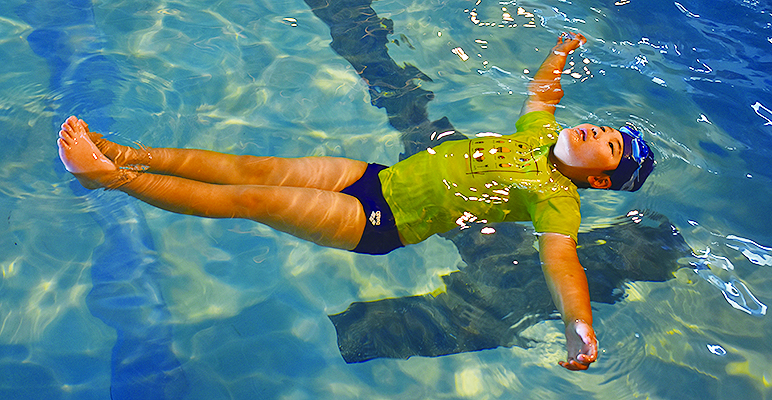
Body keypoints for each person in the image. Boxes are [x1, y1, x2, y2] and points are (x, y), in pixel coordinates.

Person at [57, 32, 654, 371]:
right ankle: (122, 151)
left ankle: (109, 179)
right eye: (600, 128)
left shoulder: (558, 203)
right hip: (375, 178)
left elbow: (563, 265)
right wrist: (560, 54)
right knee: (252, 168)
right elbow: (543, 97)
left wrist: (580, 329)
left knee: (251, 197)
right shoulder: (539, 138)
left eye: (605, 147)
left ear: (600, 182)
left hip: (380, 220)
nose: (592, 134)